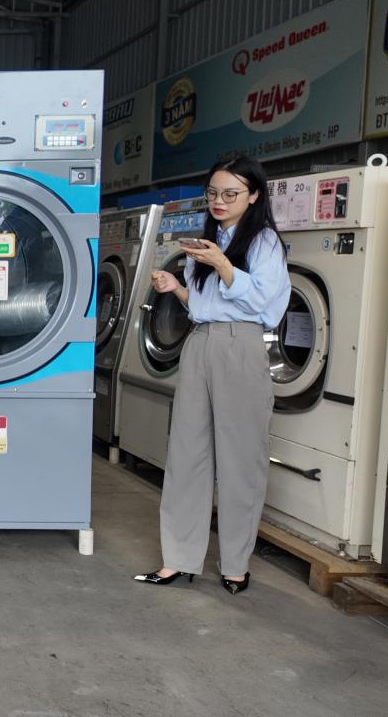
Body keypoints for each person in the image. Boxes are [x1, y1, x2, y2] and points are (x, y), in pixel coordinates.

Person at [134, 155, 290, 595]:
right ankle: (178, 559)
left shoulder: (264, 242)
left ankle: (235, 565)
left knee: (240, 458)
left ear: (253, 195)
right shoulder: (208, 238)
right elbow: (204, 305)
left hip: (241, 345)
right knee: (186, 453)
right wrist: (177, 289)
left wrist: (223, 264)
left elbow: (264, 304)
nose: (219, 201)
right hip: (200, 340)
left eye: (230, 194)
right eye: (213, 193)